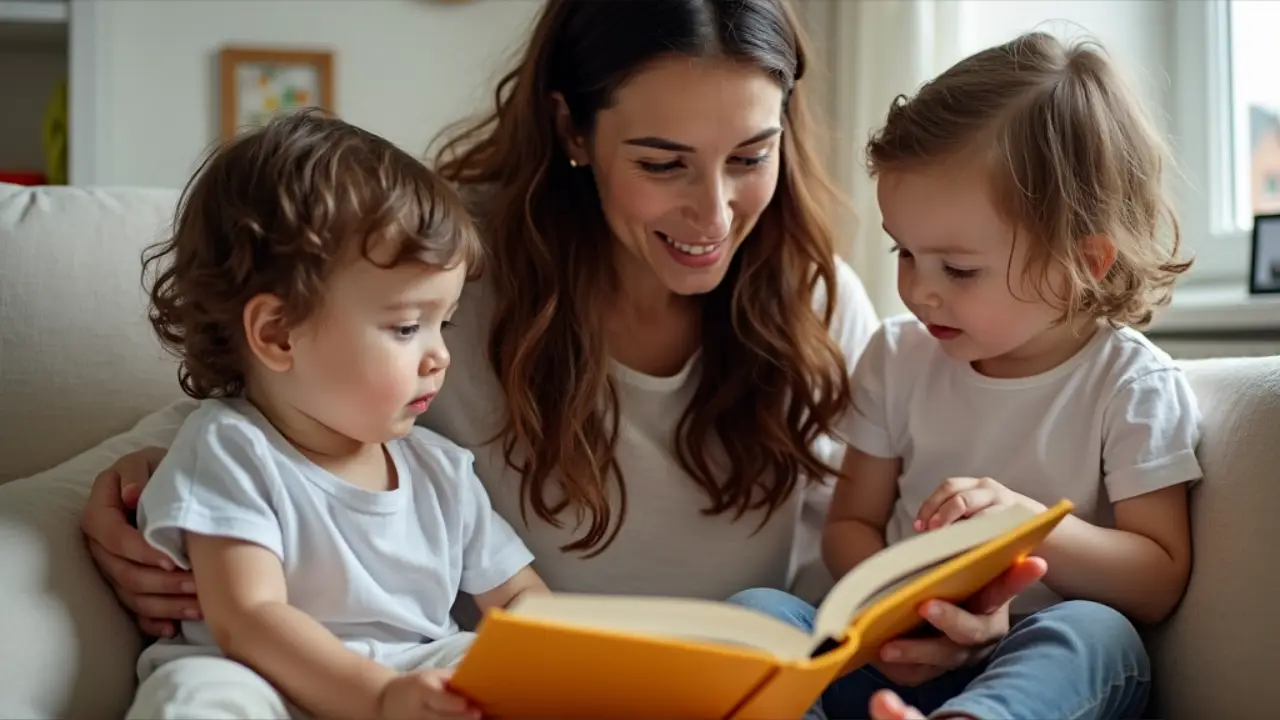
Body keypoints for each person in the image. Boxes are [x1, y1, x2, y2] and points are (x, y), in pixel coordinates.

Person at [79, 2, 1045, 717]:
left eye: (750, 156)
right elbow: (269, 391)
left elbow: (874, 539)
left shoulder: (819, 295)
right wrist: (127, 486)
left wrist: (945, 610)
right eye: (663, 163)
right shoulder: (448, 266)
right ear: (573, 129)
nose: (714, 217)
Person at [729, 31, 1202, 720]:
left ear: (1084, 262)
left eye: (957, 268)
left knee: (1100, 636)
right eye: (904, 251)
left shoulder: (1130, 384)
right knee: (758, 614)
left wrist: (1028, 526)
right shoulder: (897, 357)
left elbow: (1158, 578)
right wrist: (907, 613)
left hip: (1027, 666)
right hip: (893, 652)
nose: (919, 290)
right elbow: (849, 525)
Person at [124, 110, 548, 720]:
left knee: (486, 667)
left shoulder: (442, 472)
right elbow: (249, 618)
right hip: (265, 680)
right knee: (195, 696)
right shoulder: (230, 448)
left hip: (411, 679)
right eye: (407, 326)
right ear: (278, 333)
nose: (439, 356)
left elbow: (519, 597)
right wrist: (376, 697)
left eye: (442, 323)